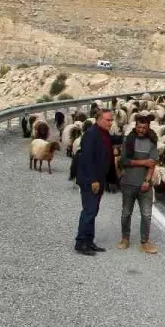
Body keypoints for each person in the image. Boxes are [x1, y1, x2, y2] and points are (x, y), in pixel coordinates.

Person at [73, 108, 114, 256]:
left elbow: (112, 141)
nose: (111, 123)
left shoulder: (103, 133)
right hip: (91, 181)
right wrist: (94, 180)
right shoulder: (91, 135)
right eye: (108, 120)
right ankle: (81, 242)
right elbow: (87, 160)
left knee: (93, 210)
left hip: (99, 179)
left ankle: (89, 241)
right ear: (99, 119)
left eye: (111, 120)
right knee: (89, 211)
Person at [118, 114, 159, 254]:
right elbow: (123, 161)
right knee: (126, 213)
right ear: (135, 126)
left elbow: (152, 163)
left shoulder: (152, 142)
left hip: (144, 185)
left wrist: (147, 181)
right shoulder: (128, 140)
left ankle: (145, 241)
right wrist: (143, 162)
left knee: (146, 214)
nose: (141, 130)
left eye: (144, 127)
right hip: (128, 183)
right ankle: (125, 238)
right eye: (139, 127)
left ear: (148, 128)